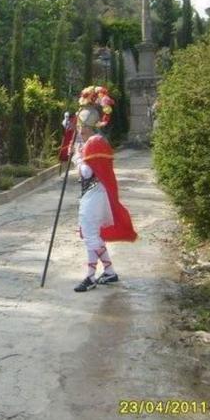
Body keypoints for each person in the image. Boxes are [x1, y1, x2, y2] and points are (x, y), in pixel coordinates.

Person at [71, 86, 137, 292]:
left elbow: (87, 173)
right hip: (96, 193)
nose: (78, 130)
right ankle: (109, 272)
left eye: (80, 127)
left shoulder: (93, 143)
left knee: (90, 235)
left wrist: (77, 158)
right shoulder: (95, 141)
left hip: (95, 192)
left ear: (87, 127)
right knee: (93, 235)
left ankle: (90, 277)